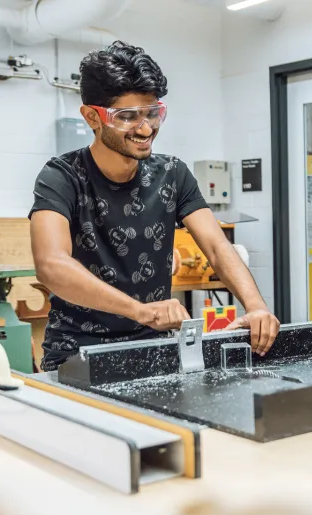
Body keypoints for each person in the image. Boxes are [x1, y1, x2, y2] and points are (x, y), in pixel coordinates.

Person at [29, 41, 279, 371]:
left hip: (156, 349)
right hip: (77, 353)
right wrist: (142, 311)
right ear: (92, 116)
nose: (146, 128)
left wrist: (256, 306)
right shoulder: (61, 177)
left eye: (152, 113)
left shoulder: (172, 174)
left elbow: (218, 247)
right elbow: (51, 265)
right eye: (128, 117)